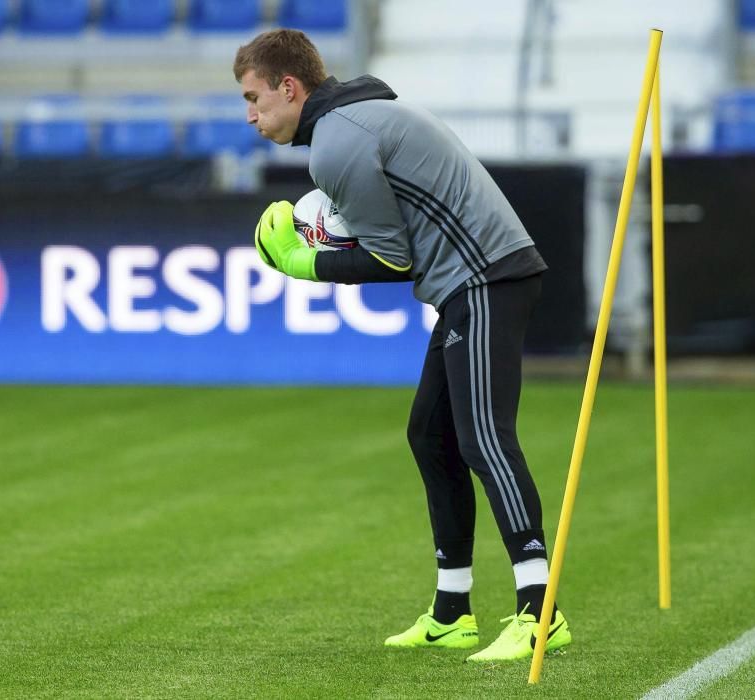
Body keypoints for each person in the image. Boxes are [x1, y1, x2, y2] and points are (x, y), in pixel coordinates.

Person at [233, 28, 571, 662]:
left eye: (254, 99)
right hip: (475, 280)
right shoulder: (357, 116)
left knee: (485, 439)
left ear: (289, 86)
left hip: (486, 278)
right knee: (430, 435)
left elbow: (392, 259)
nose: (250, 116)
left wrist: (303, 264)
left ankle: (539, 611)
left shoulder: (336, 143)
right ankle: (452, 612)